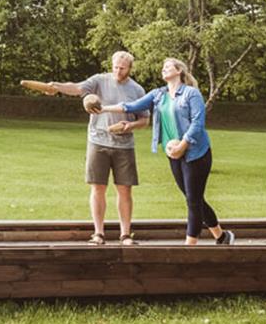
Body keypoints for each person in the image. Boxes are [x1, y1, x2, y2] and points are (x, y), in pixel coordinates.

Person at [94, 57, 235, 246]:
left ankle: (189, 247)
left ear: (179, 71)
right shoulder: (159, 95)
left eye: (167, 66)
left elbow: (198, 123)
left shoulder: (191, 94)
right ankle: (221, 236)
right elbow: (130, 106)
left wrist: (182, 145)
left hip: (196, 153)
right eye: (162, 67)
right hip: (174, 154)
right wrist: (102, 109)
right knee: (194, 198)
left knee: (193, 200)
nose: (163, 69)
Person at [21, 51, 149, 246]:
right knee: (98, 188)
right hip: (98, 142)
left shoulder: (137, 90)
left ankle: (125, 235)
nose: (118, 70)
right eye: (115, 66)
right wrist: (57, 87)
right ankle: (98, 234)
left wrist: (128, 126)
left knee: (124, 190)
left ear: (130, 68)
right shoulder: (99, 80)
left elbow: (145, 120)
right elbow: (77, 88)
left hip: (124, 146)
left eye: (122, 68)